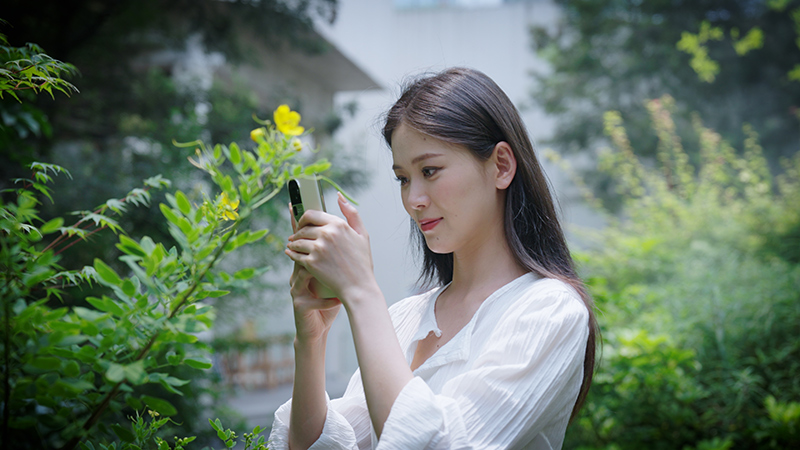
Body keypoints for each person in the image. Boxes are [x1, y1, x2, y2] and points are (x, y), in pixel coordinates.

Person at [270, 67, 599, 450]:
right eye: (403, 178)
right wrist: (311, 341)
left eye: (430, 171)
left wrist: (362, 292)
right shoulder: (404, 317)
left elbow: (441, 442)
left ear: (501, 165)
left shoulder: (549, 312)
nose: (414, 200)